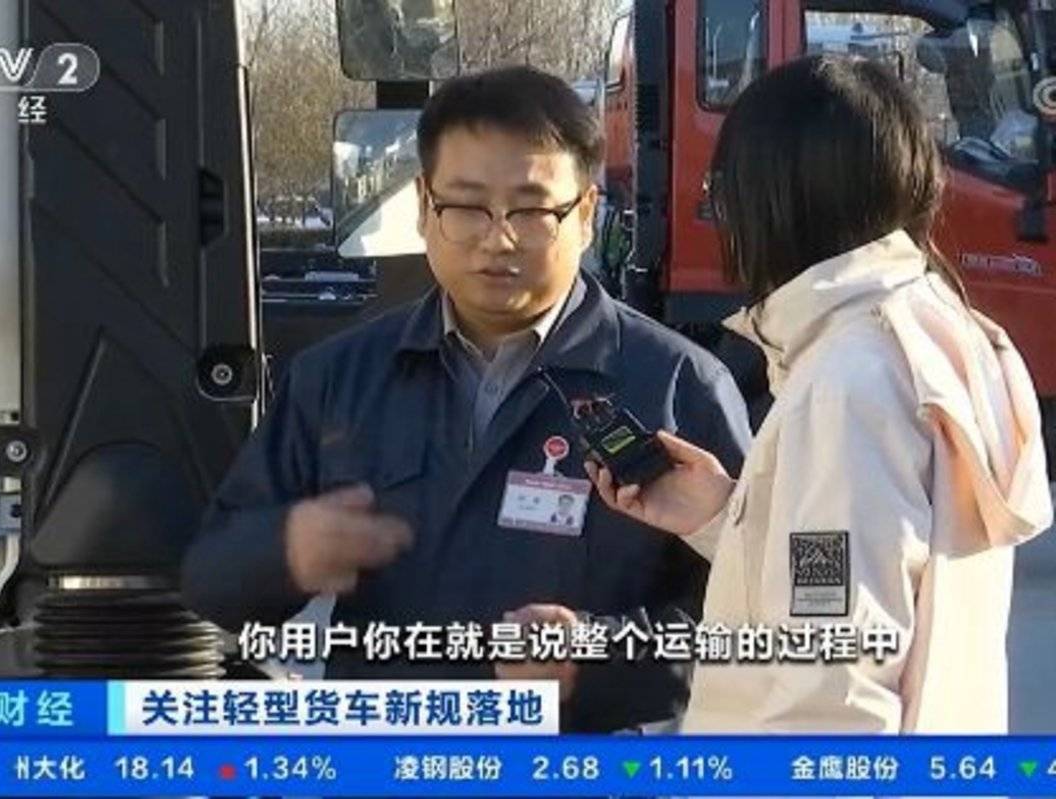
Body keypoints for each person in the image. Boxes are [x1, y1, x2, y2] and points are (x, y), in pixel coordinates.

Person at [181, 65, 751, 732]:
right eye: (468, 206)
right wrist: (282, 550)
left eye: (532, 211)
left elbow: (754, 619)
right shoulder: (337, 379)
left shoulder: (676, 385)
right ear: (424, 207)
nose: (497, 238)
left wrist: (599, 655)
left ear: (585, 214)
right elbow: (210, 581)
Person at [588, 56, 1053, 732]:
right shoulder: (938, 331)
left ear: (774, 200)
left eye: (725, 192)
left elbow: (836, 681)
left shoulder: (847, 383)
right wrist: (729, 514)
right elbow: (862, 575)